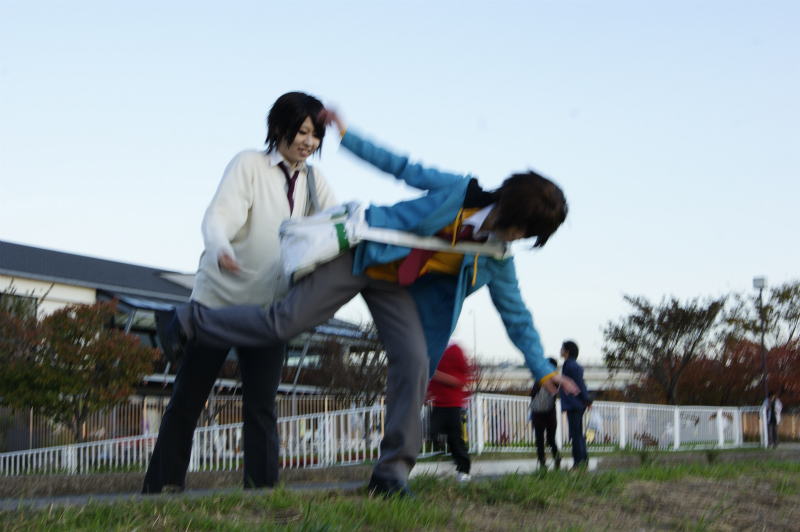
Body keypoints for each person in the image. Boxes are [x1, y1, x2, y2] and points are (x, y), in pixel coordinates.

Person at [156, 110, 580, 497]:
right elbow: (401, 166)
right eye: (521, 228)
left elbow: (517, 316)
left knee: (414, 360)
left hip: (395, 287)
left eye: (528, 237)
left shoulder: (496, 258)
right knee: (284, 323)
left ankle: (391, 474)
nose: (518, 238)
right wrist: (347, 134)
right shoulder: (459, 191)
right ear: (508, 206)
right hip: (363, 254)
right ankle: (189, 320)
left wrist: (542, 370)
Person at [142, 92, 339, 494]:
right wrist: (220, 246)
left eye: (316, 135)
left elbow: (335, 229)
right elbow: (219, 216)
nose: (309, 142)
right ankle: (162, 489)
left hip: (270, 314)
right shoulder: (249, 164)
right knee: (188, 399)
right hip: (219, 304)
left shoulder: (315, 182)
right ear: (278, 128)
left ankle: (262, 493)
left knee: (261, 406)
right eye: (302, 132)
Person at [427, 343, 473, 482]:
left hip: (453, 405)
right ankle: (442, 452)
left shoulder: (455, 350)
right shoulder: (436, 353)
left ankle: (464, 471)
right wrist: (426, 395)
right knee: (433, 431)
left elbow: (458, 380)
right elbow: (432, 383)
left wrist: (437, 374)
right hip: (439, 405)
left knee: (455, 439)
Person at [559, 340, 591, 469]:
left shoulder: (571, 366)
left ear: (567, 351)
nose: (560, 350)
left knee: (576, 434)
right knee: (577, 433)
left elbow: (579, 384)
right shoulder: (570, 365)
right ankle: (583, 461)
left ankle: (579, 463)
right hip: (575, 404)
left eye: (562, 348)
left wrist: (586, 399)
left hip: (574, 404)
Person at [530, 357, 560, 470]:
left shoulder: (541, 378)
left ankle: (542, 462)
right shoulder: (556, 380)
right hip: (550, 413)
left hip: (538, 414)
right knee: (551, 439)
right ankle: (557, 458)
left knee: (540, 439)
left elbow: (533, 393)